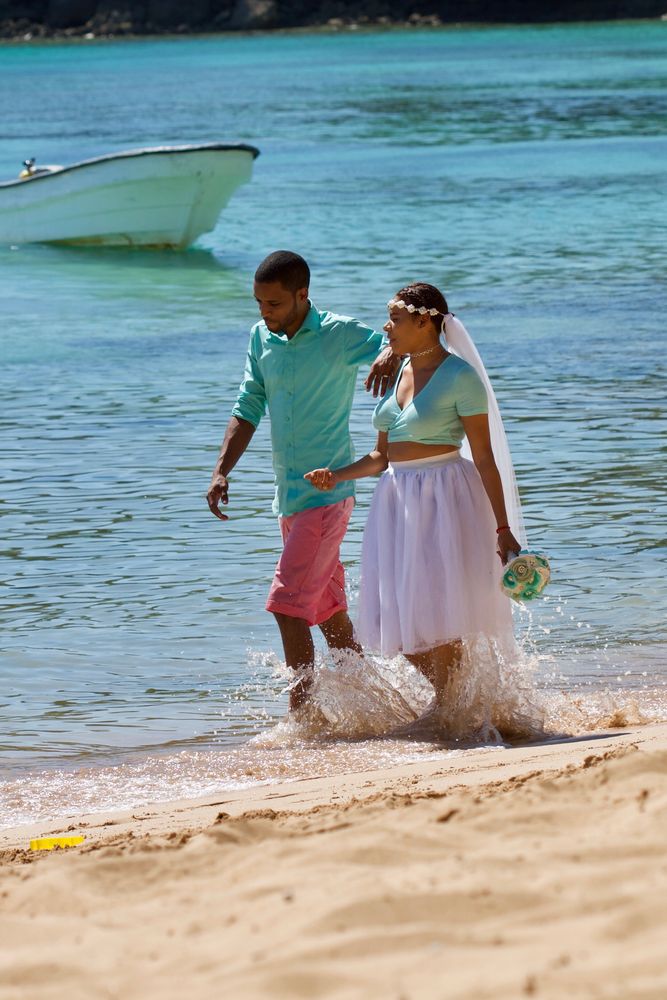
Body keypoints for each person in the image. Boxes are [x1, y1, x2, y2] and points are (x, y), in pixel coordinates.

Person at [305, 282, 525, 722]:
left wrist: (503, 529)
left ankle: (456, 709)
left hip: (445, 498)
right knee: (397, 613)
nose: (387, 328)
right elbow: (379, 457)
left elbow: (483, 458)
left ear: (425, 321)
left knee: (437, 605)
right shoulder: (399, 372)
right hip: (396, 500)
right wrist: (337, 475)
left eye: (396, 320)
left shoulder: (460, 377)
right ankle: (456, 701)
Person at [206, 251, 396, 713]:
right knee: (329, 613)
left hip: (327, 498)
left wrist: (390, 351)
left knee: (287, 606)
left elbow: (408, 350)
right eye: (258, 303)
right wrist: (221, 469)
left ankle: (304, 720)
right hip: (288, 502)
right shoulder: (260, 338)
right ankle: (373, 707)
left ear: (302, 295)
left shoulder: (338, 333)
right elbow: (249, 404)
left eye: (273, 304)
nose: (263, 313)